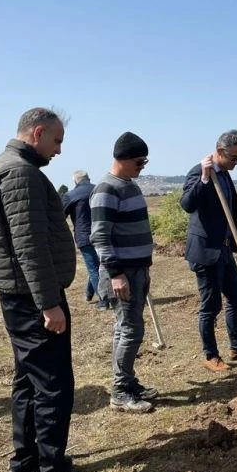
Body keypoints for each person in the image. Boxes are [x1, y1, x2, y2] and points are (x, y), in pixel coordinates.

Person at [0, 108, 101, 472]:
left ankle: (27, 465)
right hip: (33, 300)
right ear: (37, 133)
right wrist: (49, 303)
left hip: (23, 297)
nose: (59, 150)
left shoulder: (13, 167)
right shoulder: (20, 173)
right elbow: (29, 246)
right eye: (56, 141)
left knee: (29, 382)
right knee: (53, 387)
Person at [180, 130, 237, 372]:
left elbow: (232, 210)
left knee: (236, 297)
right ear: (220, 151)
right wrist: (204, 178)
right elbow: (187, 204)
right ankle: (211, 355)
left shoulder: (226, 174)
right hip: (206, 251)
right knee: (211, 305)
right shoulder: (199, 172)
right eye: (234, 157)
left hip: (225, 249)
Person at [90, 132, 157, 412]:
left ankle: (128, 382)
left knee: (126, 328)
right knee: (131, 330)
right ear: (124, 158)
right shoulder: (107, 189)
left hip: (138, 269)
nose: (143, 167)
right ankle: (120, 391)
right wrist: (116, 273)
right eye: (140, 162)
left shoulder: (130, 185)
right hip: (123, 272)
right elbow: (99, 236)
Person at [62, 170, 107, 310]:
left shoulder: (70, 195)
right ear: (88, 178)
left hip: (85, 236)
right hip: (104, 234)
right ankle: (89, 293)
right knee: (98, 266)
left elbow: (60, 216)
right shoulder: (100, 190)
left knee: (93, 268)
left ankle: (103, 300)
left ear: (75, 181)